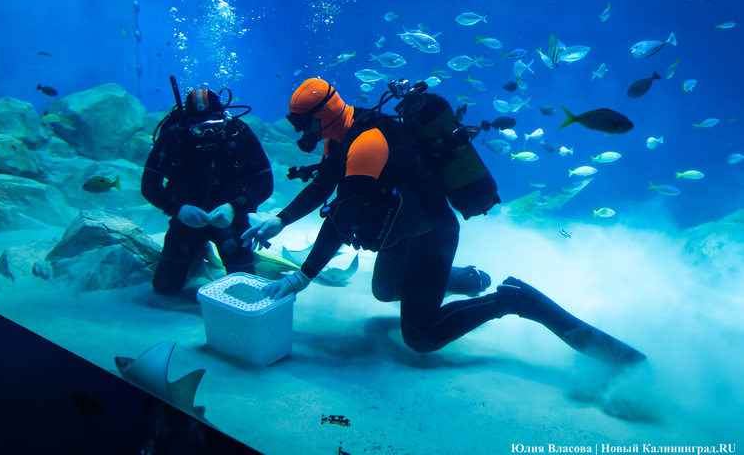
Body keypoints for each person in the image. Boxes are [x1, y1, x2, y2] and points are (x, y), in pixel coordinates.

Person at [243, 78, 645, 366]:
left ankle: (513, 299)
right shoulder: (342, 133)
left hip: (430, 235)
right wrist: (279, 219)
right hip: (401, 235)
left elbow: (344, 214)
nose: (299, 131)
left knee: (420, 336)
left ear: (323, 115)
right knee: (385, 291)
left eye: (301, 123)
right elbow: (323, 185)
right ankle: (466, 279)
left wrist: (303, 276)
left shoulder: (366, 144)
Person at [142, 81, 273, 296]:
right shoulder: (173, 135)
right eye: (200, 129)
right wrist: (179, 209)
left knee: (246, 292)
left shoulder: (238, 133)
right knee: (164, 289)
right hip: (186, 220)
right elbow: (149, 185)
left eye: (215, 125)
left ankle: (204, 254)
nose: (208, 133)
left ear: (224, 118)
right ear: (186, 124)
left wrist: (233, 208)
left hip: (231, 221)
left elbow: (265, 183)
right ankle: (197, 253)